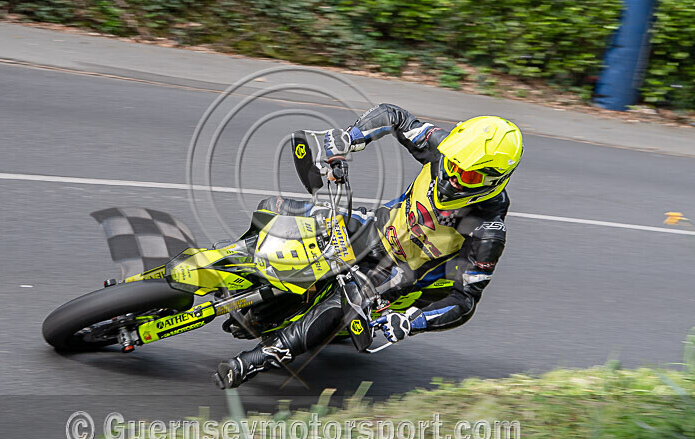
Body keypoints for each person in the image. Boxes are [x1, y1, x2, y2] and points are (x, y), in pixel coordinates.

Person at [213, 103, 523, 389]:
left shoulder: (488, 228)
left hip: (397, 272)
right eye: (452, 164)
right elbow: (393, 116)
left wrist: (413, 321)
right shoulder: (438, 147)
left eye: (467, 175)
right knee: (275, 208)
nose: (452, 177)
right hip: (372, 226)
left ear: (493, 180)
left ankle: (259, 359)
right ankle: (230, 263)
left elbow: (465, 300)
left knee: (342, 304)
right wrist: (348, 138)